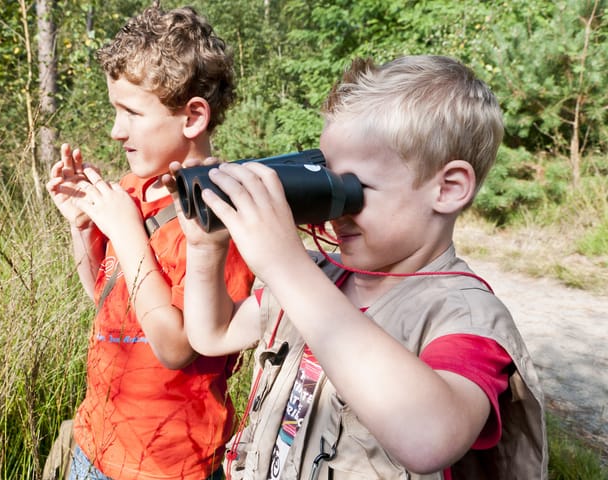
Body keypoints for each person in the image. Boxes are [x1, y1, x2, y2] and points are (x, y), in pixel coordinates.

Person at [170, 55, 547, 479]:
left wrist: (286, 266)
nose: (335, 211)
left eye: (354, 189)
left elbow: (428, 438)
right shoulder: (322, 276)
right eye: (327, 182)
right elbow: (211, 335)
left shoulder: (466, 318)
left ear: (448, 188)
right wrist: (205, 247)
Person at [45, 3, 254, 480]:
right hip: (95, 442)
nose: (117, 131)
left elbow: (176, 347)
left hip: (166, 462)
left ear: (192, 117)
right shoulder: (136, 189)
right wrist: (82, 226)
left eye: (132, 113)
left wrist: (124, 231)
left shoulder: (221, 216)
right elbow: (105, 297)